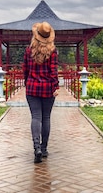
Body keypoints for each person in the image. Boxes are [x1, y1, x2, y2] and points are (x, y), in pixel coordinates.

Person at [23, 21, 60, 163]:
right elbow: (53, 71)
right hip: (48, 89)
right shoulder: (53, 51)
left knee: (36, 117)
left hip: (32, 88)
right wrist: (55, 87)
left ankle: (36, 147)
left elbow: (25, 69)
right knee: (46, 118)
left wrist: (28, 83)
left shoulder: (28, 50)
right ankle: (44, 149)